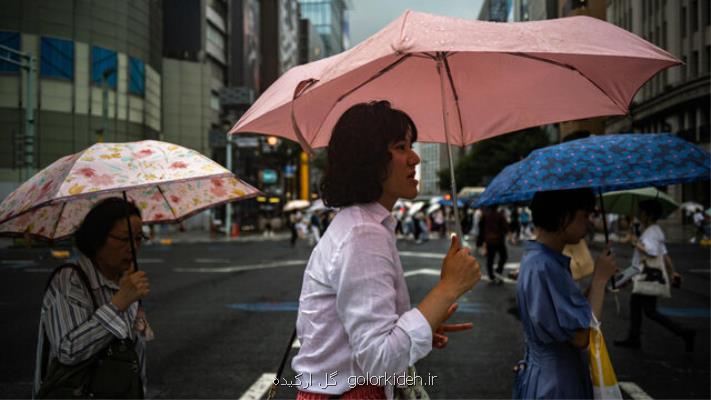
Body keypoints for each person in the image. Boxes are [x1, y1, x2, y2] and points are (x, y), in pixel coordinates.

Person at [292, 101, 481, 399]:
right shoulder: (362, 233)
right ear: (368, 157)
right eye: (400, 147)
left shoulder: (363, 223)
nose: (414, 158)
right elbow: (379, 361)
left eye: (411, 146)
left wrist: (424, 324)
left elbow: (365, 340)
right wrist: (448, 288)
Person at [33, 197, 152, 398]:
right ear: (97, 239)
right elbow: (68, 350)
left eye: (139, 238)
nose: (133, 247)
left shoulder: (127, 281)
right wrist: (119, 304)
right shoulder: (70, 280)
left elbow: (135, 356)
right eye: (125, 239)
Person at [513, 188, 617, 399]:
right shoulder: (546, 265)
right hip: (557, 383)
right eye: (584, 215)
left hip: (545, 374)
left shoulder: (538, 258)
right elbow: (581, 336)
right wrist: (599, 281)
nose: (588, 222)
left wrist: (599, 282)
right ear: (563, 217)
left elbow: (568, 310)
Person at [614, 199, 695, 351]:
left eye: (641, 212)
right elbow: (664, 255)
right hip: (648, 274)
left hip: (647, 275)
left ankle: (684, 332)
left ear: (648, 214)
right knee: (636, 305)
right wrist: (672, 272)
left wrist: (635, 242)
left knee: (650, 311)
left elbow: (651, 252)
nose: (639, 215)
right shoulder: (656, 230)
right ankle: (634, 337)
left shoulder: (650, 232)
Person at [476, 206, 509, 284]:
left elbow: (481, 227)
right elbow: (505, 227)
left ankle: (491, 276)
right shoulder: (500, 215)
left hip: (489, 240)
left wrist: (481, 241)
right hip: (499, 240)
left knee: (490, 258)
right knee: (503, 256)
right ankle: (498, 270)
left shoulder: (485, 216)